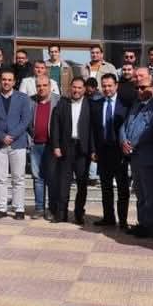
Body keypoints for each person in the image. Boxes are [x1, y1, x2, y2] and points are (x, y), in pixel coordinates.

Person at [121, 68, 153, 238]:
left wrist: (133, 144)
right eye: (137, 88)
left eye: (143, 87)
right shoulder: (135, 105)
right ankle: (142, 222)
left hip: (147, 155)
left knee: (149, 192)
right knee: (139, 192)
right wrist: (123, 140)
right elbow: (124, 125)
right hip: (134, 157)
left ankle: (149, 225)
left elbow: (150, 130)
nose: (139, 90)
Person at [0, 71, 32, 219]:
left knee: (18, 178)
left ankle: (19, 208)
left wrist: (12, 136)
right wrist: (1, 136)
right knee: (0, 178)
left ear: (14, 82)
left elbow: (25, 120)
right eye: (4, 79)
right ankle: (1, 207)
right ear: (0, 81)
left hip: (18, 143)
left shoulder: (23, 98)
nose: (6, 82)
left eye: (9, 80)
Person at [50, 77, 93, 225]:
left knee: (82, 184)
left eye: (80, 88)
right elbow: (55, 125)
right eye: (74, 87)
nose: (76, 90)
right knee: (63, 183)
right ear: (70, 87)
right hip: (66, 148)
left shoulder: (90, 104)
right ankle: (61, 214)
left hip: (83, 149)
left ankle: (79, 214)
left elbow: (93, 130)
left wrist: (93, 150)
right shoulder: (62, 103)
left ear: (84, 89)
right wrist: (56, 146)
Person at [90, 73, 131, 230]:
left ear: (116, 86)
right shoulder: (96, 104)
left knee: (122, 188)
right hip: (103, 151)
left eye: (109, 85)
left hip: (120, 151)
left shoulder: (125, 105)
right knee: (106, 187)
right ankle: (108, 217)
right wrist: (93, 149)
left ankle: (123, 220)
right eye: (104, 86)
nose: (107, 89)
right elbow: (93, 130)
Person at [27, 75, 58, 221]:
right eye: (39, 86)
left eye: (45, 85)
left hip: (52, 146)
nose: (41, 88)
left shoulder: (58, 101)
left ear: (50, 86)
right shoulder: (30, 101)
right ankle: (39, 208)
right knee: (38, 178)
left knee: (52, 178)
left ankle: (51, 209)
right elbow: (26, 121)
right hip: (36, 145)